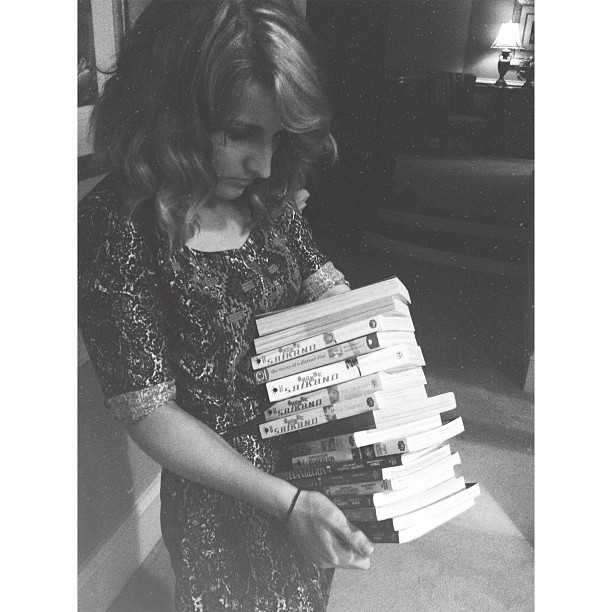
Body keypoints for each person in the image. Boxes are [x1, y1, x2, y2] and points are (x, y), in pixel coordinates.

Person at [78, 1, 374, 610]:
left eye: (276, 137)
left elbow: (320, 285)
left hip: (311, 463)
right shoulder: (117, 222)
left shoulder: (267, 193)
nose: (262, 163)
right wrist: (286, 504)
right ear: (171, 110)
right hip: (220, 498)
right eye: (240, 133)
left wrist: (373, 329)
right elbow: (148, 411)